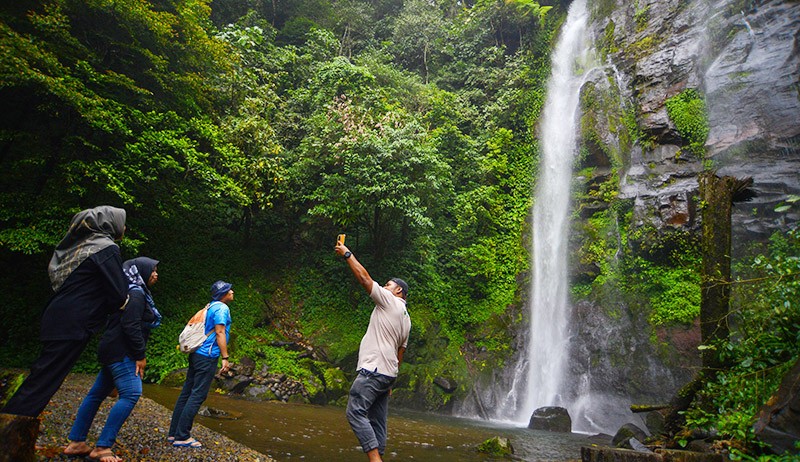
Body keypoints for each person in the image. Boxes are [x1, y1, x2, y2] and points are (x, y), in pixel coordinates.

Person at [1, 206, 128, 419]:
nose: (124, 227)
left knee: (43, 375)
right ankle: (10, 428)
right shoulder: (107, 248)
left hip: (58, 316)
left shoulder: (79, 247)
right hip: (75, 321)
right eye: (122, 222)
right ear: (109, 223)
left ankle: (15, 425)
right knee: (44, 380)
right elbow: (119, 294)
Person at [63, 257, 162, 462]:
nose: (155, 274)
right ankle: (102, 447)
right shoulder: (136, 294)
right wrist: (140, 355)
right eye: (152, 270)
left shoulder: (129, 290)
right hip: (121, 350)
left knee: (96, 394)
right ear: (141, 271)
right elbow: (131, 325)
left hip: (110, 348)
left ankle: (76, 442)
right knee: (132, 393)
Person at [334, 240, 411, 462]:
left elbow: (365, 279)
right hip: (387, 374)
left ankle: (375, 460)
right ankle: (380, 457)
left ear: (398, 291)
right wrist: (390, 382)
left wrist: (348, 254)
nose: (384, 288)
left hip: (374, 369)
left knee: (355, 411)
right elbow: (401, 352)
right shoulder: (407, 319)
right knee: (377, 420)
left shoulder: (390, 301)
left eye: (388, 285)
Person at [168, 280, 233, 448]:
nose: (232, 292)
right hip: (207, 356)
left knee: (187, 392)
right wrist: (225, 358)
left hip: (197, 354)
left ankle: (174, 433)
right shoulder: (221, 308)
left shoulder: (209, 306)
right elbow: (219, 332)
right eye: (229, 290)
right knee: (198, 395)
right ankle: (182, 436)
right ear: (223, 294)